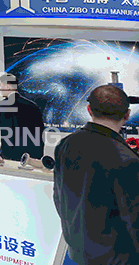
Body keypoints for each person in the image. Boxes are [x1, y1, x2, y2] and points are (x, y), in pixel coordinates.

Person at [53, 85, 139, 265]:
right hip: (116, 258)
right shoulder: (127, 159)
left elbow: (59, 198)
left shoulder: (66, 145)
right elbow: (134, 219)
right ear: (127, 114)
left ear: (89, 110)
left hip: (78, 253)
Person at [0, 73, 45, 162]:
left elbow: (6, 132)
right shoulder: (32, 105)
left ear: (8, 86)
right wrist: (38, 155)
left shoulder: (5, 104)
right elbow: (40, 130)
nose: (0, 89)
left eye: (1, 85)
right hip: (32, 155)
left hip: (13, 156)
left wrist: (5, 156)